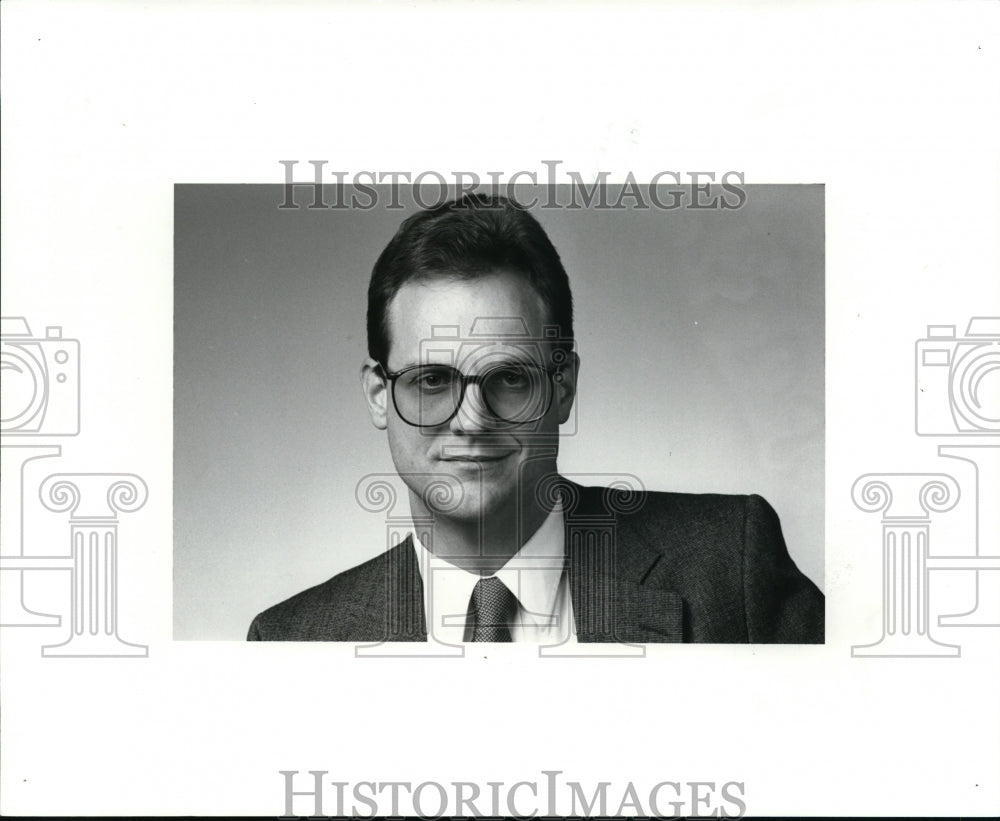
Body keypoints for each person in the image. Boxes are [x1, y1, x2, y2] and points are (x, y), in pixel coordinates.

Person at [247, 193, 824, 644]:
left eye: (509, 378)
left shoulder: (730, 566)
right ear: (378, 394)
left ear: (564, 386)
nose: (471, 421)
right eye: (431, 380)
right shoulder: (292, 639)